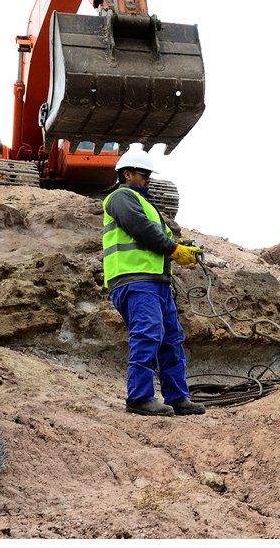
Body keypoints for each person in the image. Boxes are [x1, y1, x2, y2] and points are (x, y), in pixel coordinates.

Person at [103, 148, 205, 417]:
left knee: (171, 339)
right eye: (144, 173)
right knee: (147, 334)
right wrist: (174, 250)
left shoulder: (145, 203)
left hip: (156, 283)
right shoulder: (121, 197)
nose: (148, 178)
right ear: (127, 174)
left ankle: (177, 397)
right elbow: (140, 229)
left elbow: (155, 236)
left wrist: (180, 247)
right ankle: (139, 398)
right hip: (134, 281)